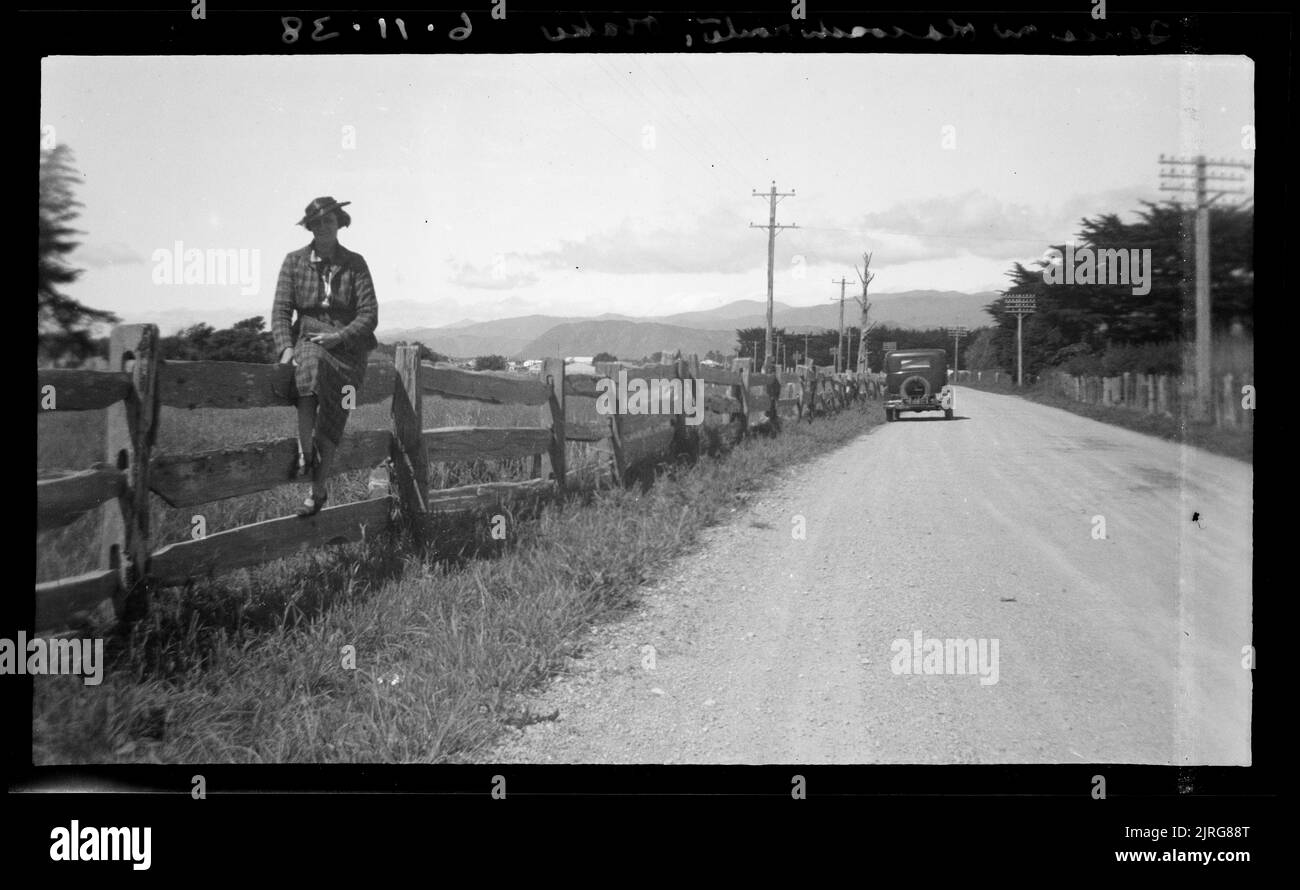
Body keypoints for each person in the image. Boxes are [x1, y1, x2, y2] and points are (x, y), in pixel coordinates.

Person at [272, 196, 379, 517]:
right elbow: (281, 310)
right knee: (309, 365)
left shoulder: (355, 263)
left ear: (339, 223)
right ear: (309, 227)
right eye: (316, 223)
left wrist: (339, 337)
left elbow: (369, 314)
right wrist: (285, 347)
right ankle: (306, 455)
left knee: (335, 415)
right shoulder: (294, 261)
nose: (322, 227)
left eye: (328, 221)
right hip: (307, 338)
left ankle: (318, 487)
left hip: (348, 348)